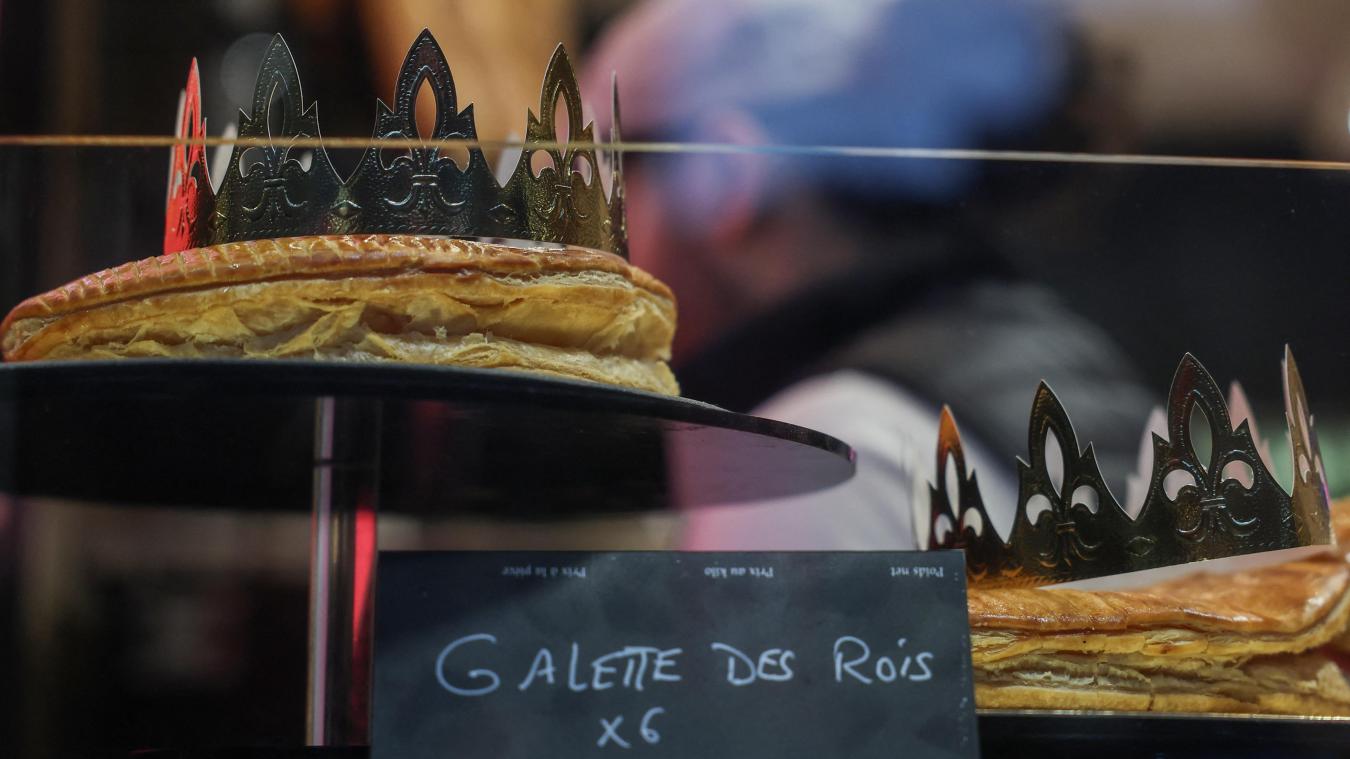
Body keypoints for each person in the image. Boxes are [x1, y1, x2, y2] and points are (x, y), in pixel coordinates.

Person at [582, 0, 1154, 549]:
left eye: (602, 185)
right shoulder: (1046, 367)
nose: (583, 249)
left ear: (726, 178)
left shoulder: (819, 465)